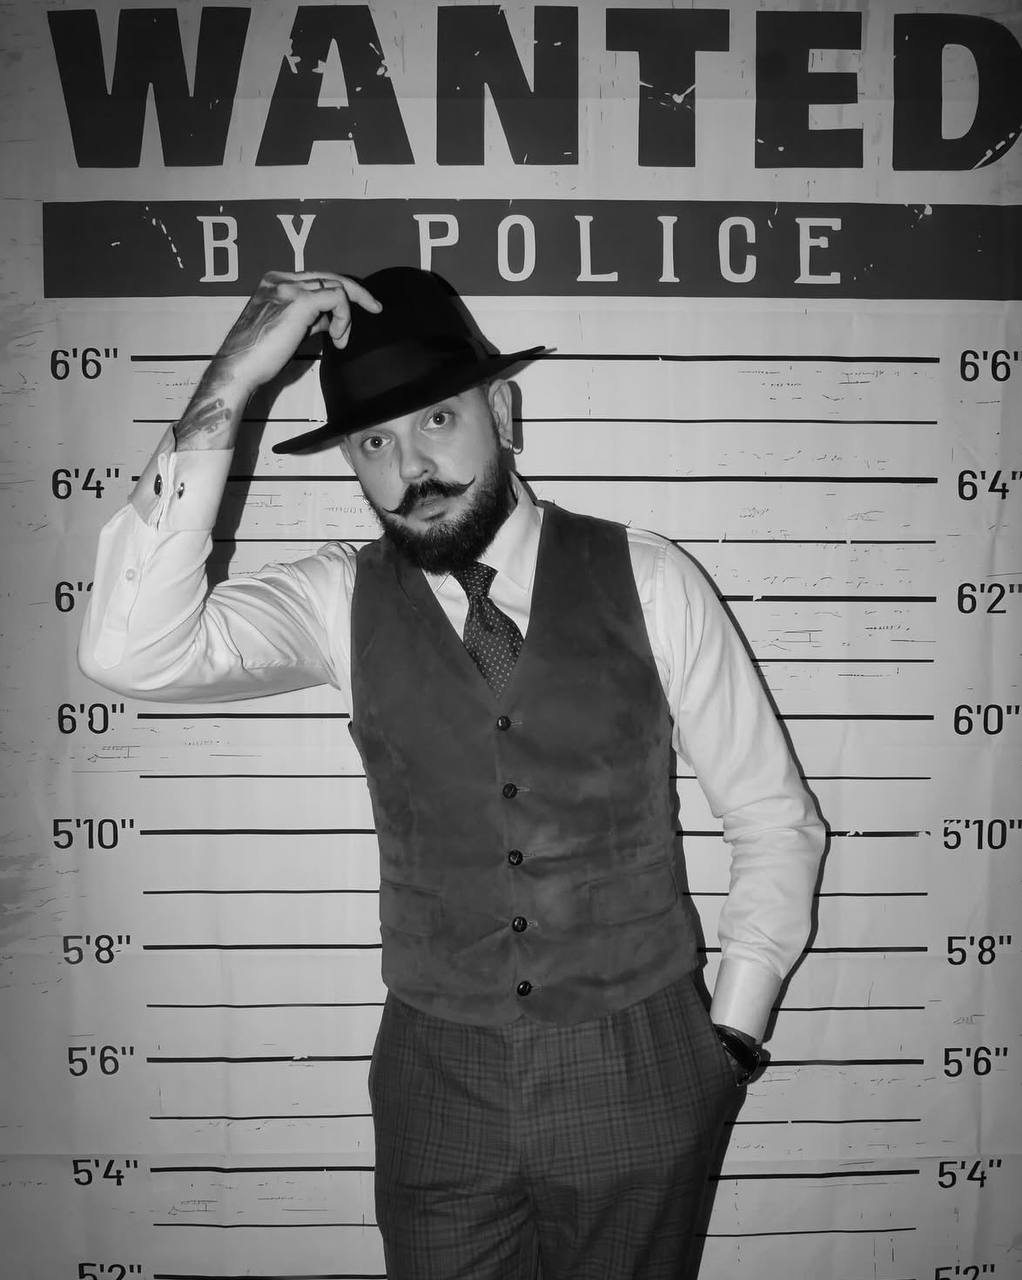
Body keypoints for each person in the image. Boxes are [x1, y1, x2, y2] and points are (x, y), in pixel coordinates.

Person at [79, 266, 827, 1279]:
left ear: (502, 412)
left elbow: (774, 817)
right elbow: (129, 650)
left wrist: (730, 1036)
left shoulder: (652, 580)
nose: (411, 467)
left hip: (640, 1060)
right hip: (438, 1079)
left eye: (437, 419)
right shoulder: (335, 599)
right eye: (373, 442)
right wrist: (232, 379)